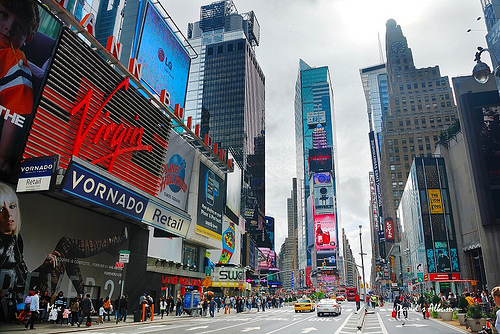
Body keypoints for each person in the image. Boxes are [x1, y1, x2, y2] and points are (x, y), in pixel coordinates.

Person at [0, 182, 129, 302]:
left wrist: (44, 267)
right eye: (1, 209)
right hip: (30, 298)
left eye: (12, 206)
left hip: (30, 294)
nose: (9, 214)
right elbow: (19, 287)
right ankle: (110, 243)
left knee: (67, 253)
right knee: (66, 244)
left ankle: (83, 294)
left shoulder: (16, 240)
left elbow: (24, 281)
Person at [0, 0, 40, 172]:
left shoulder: (13, 59)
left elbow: (14, 114)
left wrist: (2, 156)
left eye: (18, 27)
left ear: (27, 39)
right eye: (3, 16)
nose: (8, 27)